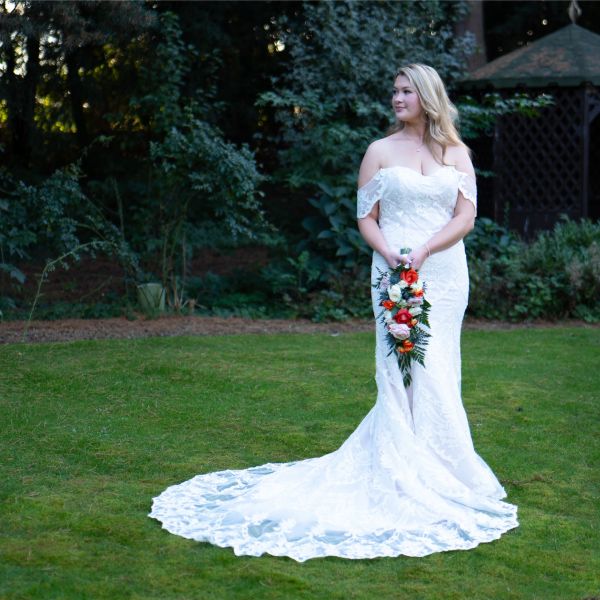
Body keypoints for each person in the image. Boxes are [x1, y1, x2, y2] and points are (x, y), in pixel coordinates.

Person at [149, 64, 518, 562]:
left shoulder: (457, 153)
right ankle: (403, 469)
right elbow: (365, 216)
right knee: (402, 368)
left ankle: (444, 468)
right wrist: (390, 254)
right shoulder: (380, 152)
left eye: (406, 90)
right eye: (394, 90)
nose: (396, 98)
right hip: (393, 270)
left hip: (445, 273)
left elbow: (466, 215)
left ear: (428, 96)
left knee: (439, 366)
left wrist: (428, 249)